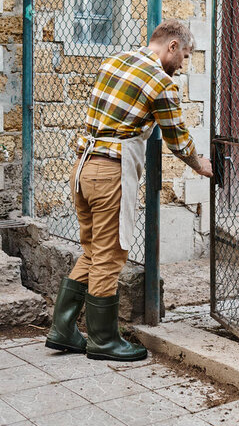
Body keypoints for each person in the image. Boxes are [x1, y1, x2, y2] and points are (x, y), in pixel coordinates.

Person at [45, 19, 213, 361]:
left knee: (93, 251)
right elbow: (177, 136)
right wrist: (199, 164)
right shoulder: (161, 83)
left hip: (83, 167)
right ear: (172, 46)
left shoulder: (114, 60)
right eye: (185, 54)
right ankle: (103, 340)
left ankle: (63, 330)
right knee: (111, 254)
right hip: (111, 173)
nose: (183, 63)